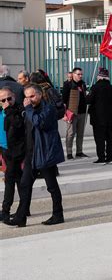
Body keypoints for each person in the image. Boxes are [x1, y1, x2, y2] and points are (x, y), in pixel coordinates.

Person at [7, 84, 65, 227]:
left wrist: (27, 109)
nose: (29, 99)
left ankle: (58, 214)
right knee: (25, 184)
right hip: (30, 154)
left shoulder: (48, 109)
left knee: (51, 186)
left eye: (32, 96)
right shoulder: (28, 110)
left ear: (40, 95)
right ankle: (21, 217)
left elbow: (39, 122)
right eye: (26, 97)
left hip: (45, 153)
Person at [0, 88, 25, 223]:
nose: (7, 102)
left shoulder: (18, 111)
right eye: (3, 100)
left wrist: (9, 110)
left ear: (14, 96)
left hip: (16, 152)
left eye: (9, 98)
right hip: (4, 150)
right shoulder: (1, 112)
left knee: (10, 181)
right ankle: (24, 208)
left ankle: (5, 211)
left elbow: (19, 125)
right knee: (17, 180)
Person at [87, 67, 112, 164]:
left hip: (97, 118)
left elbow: (88, 101)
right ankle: (109, 158)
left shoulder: (95, 87)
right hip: (109, 118)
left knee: (99, 138)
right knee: (109, 138)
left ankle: (101, 158)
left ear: (99, 77)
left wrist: (88, 95)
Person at [62, 67, 88, 160]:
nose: (80, 76)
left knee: (80, 133)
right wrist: (64, 114)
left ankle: (79, 152)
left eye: (81, 74)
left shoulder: (83, 84)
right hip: (71, 112)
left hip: (82, 112)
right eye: (78, 74)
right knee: (71, 133)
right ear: (73, 74)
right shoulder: (68, 85)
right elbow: (64, 101)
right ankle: (69, 153)